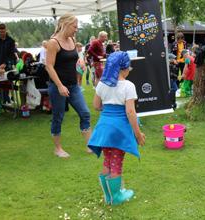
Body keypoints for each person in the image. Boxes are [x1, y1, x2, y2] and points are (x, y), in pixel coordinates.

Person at [88, 51, 145, 206]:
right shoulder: (128, 85)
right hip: (119, 130)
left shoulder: (101, 83)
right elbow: (130, 112)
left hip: (104, 128)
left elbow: (96, 106)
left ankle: (109, 196)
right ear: (124, 68)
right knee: (117, 161)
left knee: (108, 160)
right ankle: (116, 197)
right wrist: (138, 134)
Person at [45, 14, 91, 158]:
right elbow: (49, 66)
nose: (76, 30)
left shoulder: (72, 39)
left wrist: (81, 61)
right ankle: (58, 149)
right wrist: (59, 85)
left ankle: (90, 145)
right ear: (65, 25)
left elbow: (76, 57)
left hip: (73, 86)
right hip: (58, 87)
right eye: (75, 26)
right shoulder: (53, 43)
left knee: (85, 113)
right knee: (58, 117)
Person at [0, 23, 17, 105]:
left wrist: (5, 64)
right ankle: (1, 101)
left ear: (6, 30)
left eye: (3, 31)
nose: (2, 33)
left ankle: (7, 100)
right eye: (0, 32)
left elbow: (11, 55)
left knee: (7, 83)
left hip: (7, 65)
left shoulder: (11, 40)